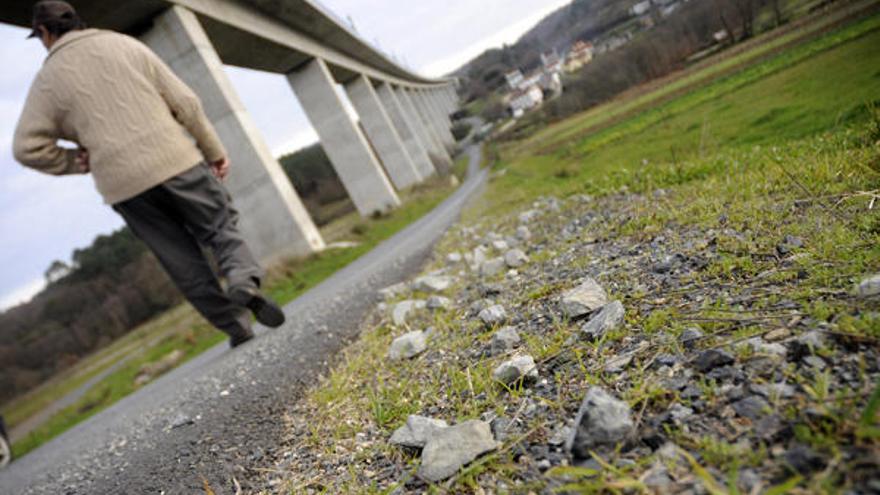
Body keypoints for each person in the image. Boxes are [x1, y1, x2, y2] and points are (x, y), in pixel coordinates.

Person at [13, 1, 285, 348]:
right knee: (219, 226)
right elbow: (186, 103)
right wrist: (213, 150)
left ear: (45, 33)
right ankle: (242, 280)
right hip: (176, 160)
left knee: (180, 259)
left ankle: (236, 326)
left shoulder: (46, 82)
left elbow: (25, 148)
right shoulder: (124, 44)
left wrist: (75, 162)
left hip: (124, 186)